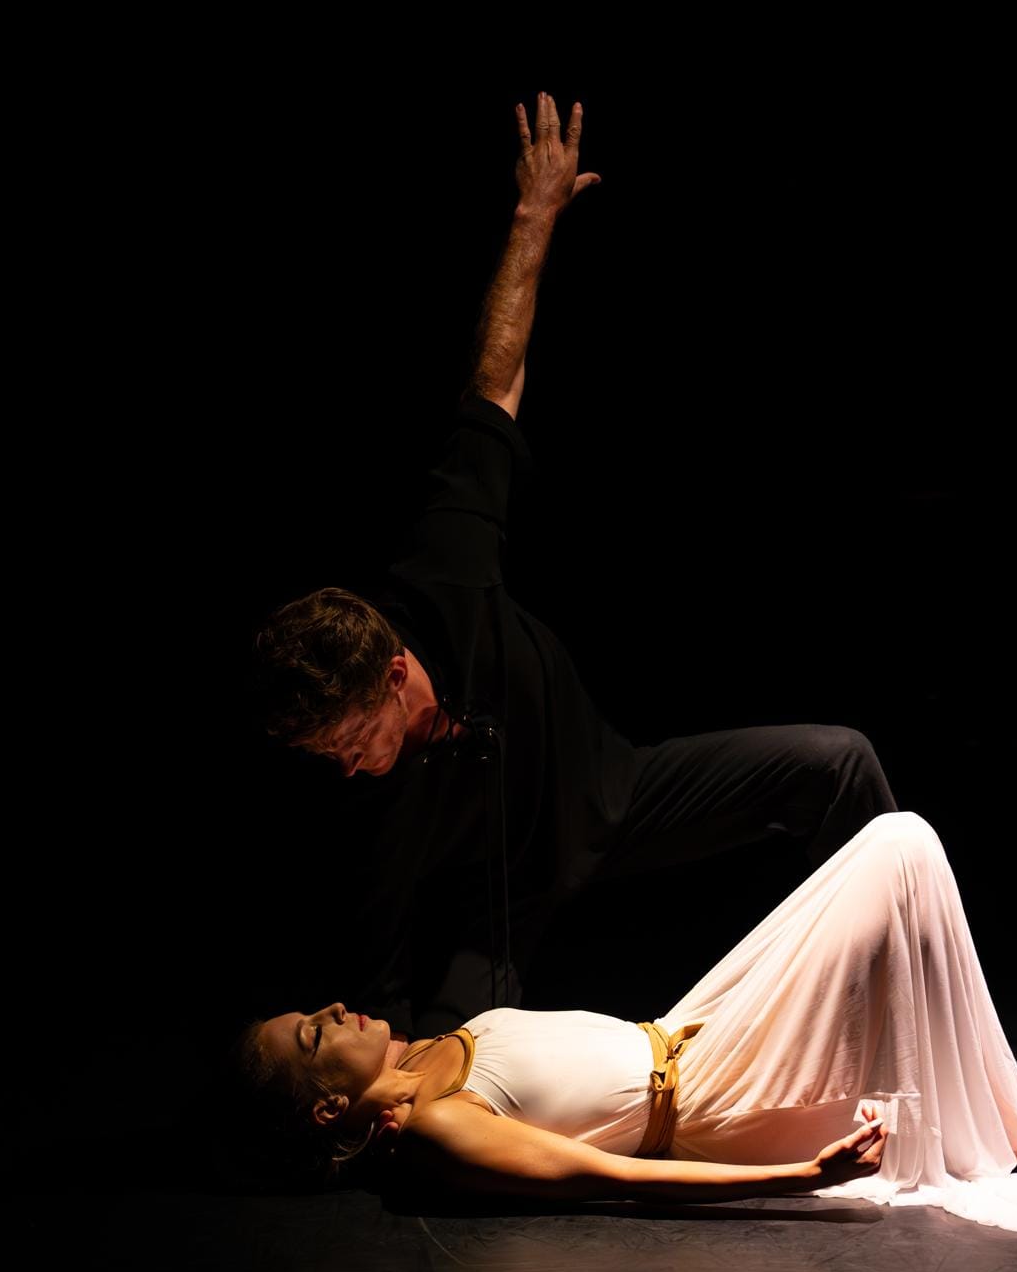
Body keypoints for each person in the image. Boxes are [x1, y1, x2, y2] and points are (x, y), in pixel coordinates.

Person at [254, 91, 898, 1041]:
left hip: (615, 796)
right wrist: (394, 1063)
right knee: (451, 1066)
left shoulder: (444, 567)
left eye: (351, 739)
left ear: (393, 672)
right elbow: (376, 953)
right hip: (498, 905)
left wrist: (533, 216)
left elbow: (494, 383)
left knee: (838, 762)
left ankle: (899, 1007)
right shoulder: (367, 804)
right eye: (329, 757)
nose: (347, 767)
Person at [234, 812, 1017, 1234]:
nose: (332, 1010)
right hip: (707, 1096)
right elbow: (613, 1180)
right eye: (314, 1034)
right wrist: (800, 1179)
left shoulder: (425, 1060)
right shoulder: (436, 1129)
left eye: (313, 1011)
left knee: (901, 849)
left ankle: (1012, 1126)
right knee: (901, 846)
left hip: (694, 1025)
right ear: (327, 1107)